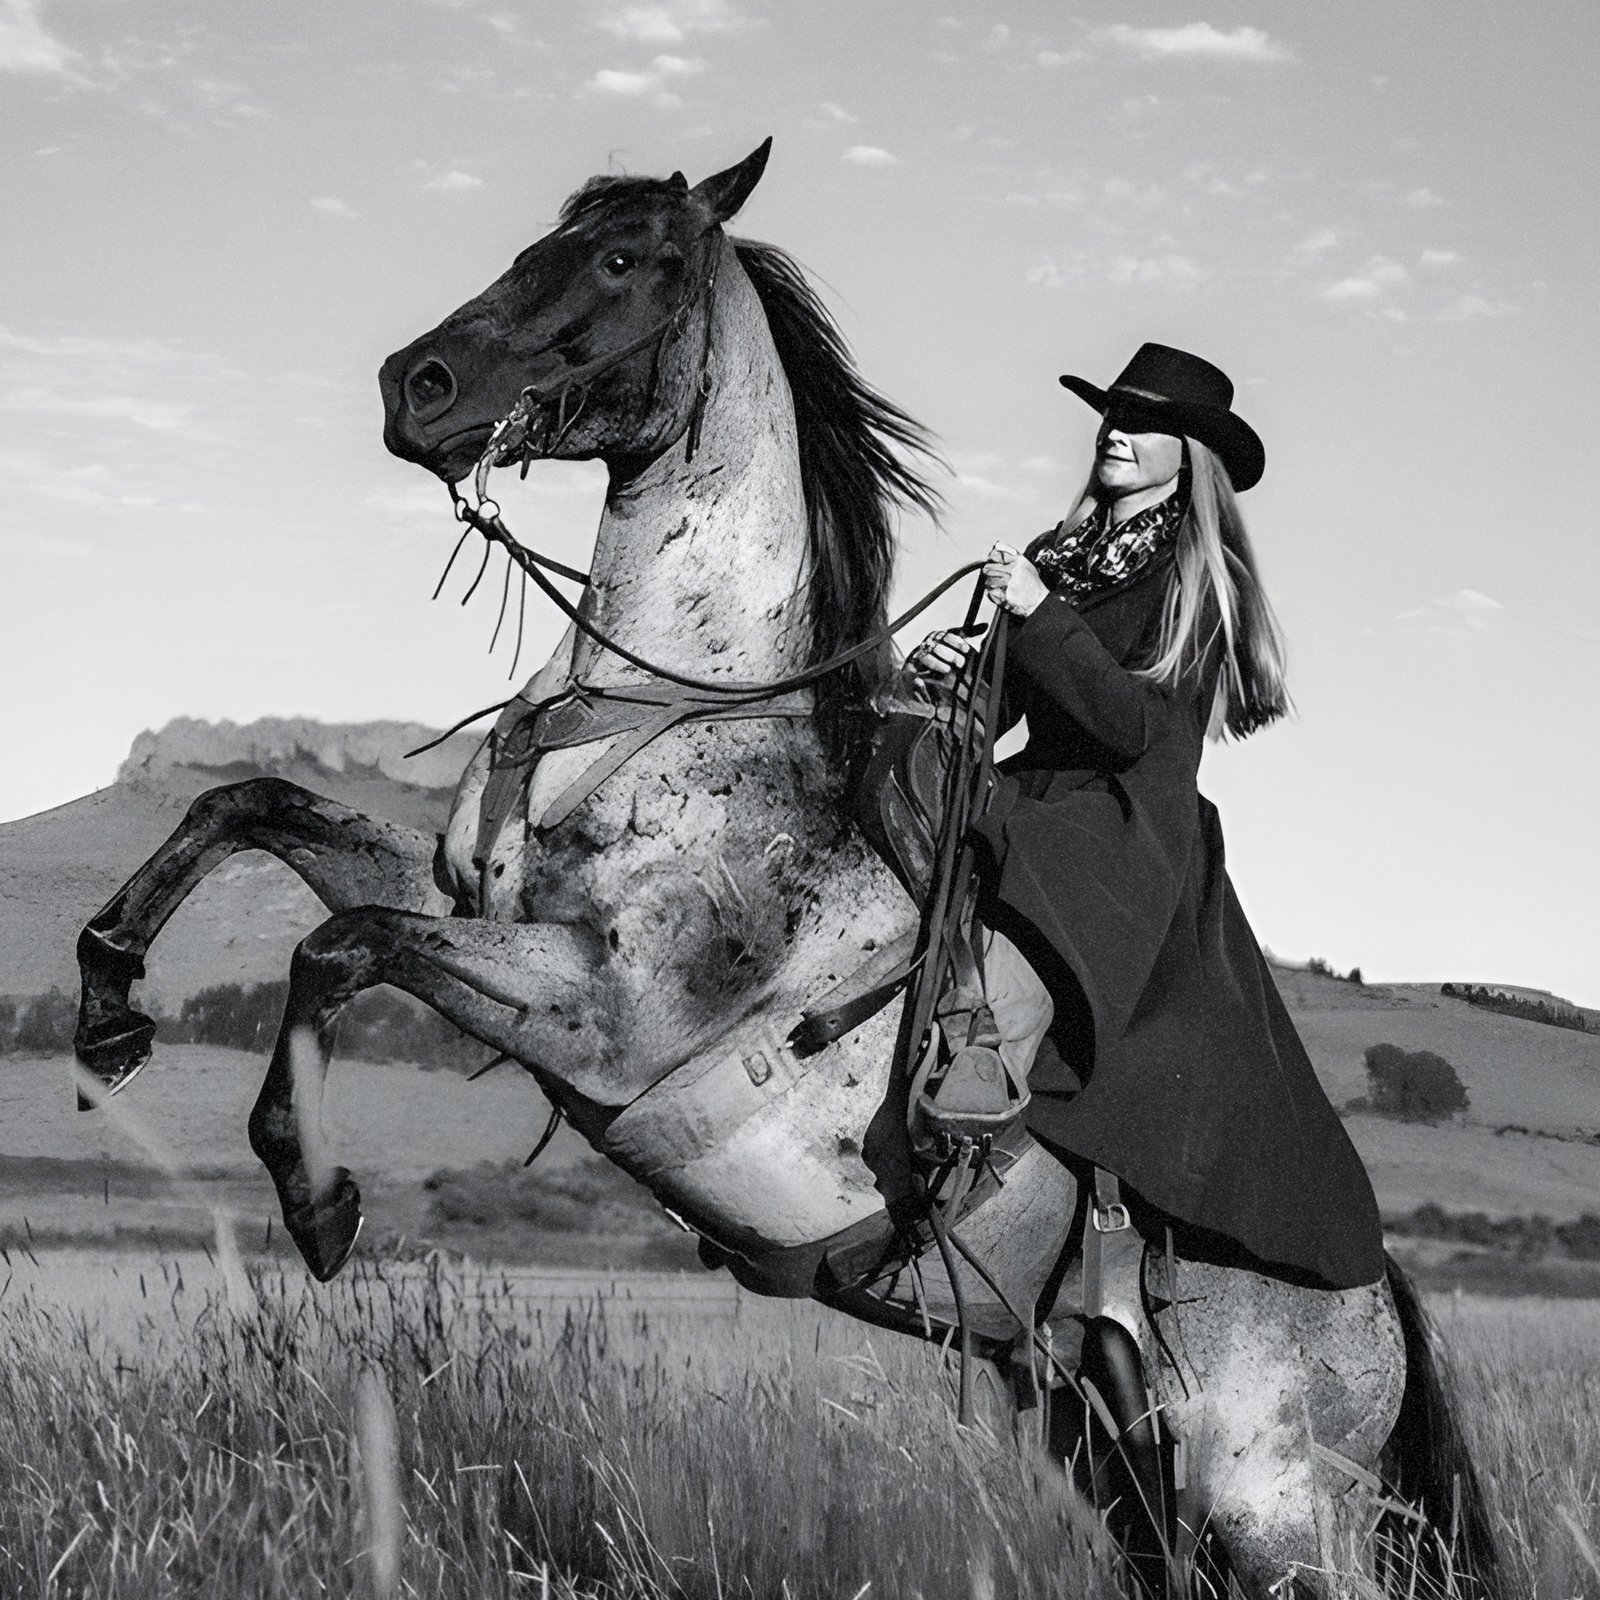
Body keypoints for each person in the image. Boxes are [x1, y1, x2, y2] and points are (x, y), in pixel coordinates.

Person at [911, 343, 1382, 1292]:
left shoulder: (1199, 579)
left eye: (1143, 422)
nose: (1116, 433)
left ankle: (978, 1093)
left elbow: (1131, 728)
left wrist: (1041, 615)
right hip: (1034, 793)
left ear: (1190, 456)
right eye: (1111, 416)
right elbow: (1006, 711)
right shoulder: (1056, 556)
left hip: (1123, 828)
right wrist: (956, 681)